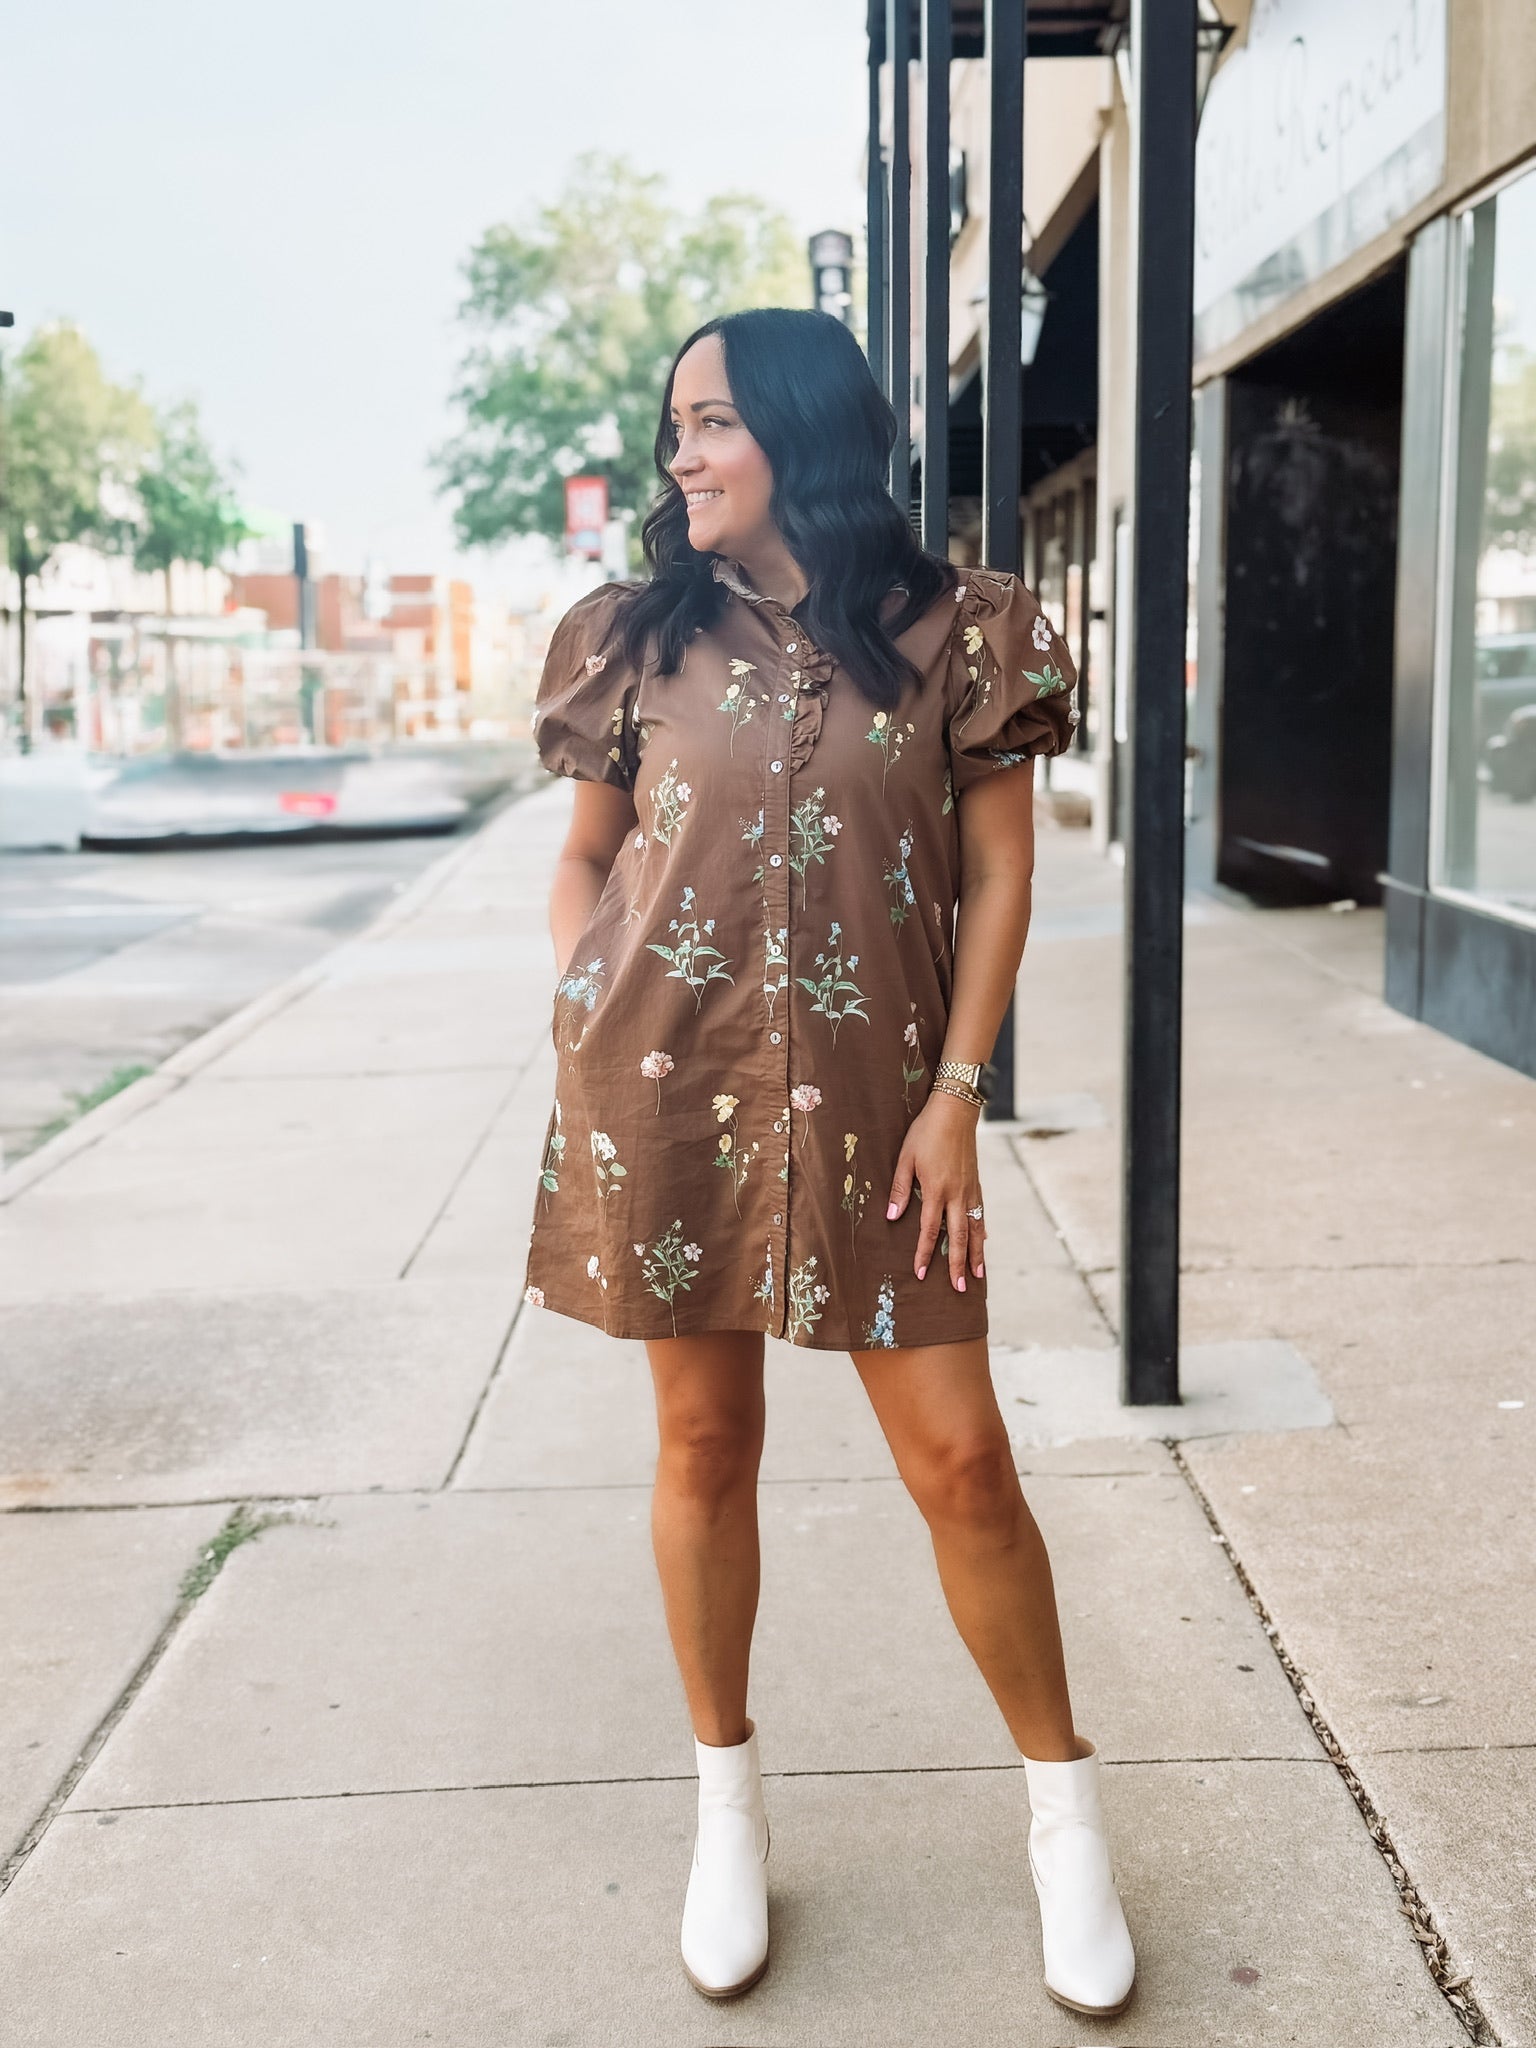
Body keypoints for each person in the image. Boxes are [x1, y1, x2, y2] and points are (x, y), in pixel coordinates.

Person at [522, 307, 1134, 2019]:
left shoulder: (963, 632)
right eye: (672, 432)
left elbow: (999, 879)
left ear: (799, 424)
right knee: (704, 1444)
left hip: (887, 1113)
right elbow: (584, 858)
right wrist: (585, 998)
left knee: (966, 1465)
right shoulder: (628, 637)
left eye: (709, 421)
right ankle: (727, 1808)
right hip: (668, 1091)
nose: (683, 457)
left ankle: (1063, 1816)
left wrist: (960, 1092)